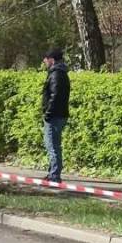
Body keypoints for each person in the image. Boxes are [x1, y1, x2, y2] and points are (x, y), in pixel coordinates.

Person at [42, 47, 71, 183]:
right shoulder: (61, 73)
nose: (44, 61)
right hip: (60, 114)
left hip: (54, 116)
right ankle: (52, 173)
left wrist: (48, 113)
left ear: (52, 60)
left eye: (46, 59)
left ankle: (54, 175)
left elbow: (55, 96)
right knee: (54, 145)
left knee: (52, 146)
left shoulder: (56, 75)